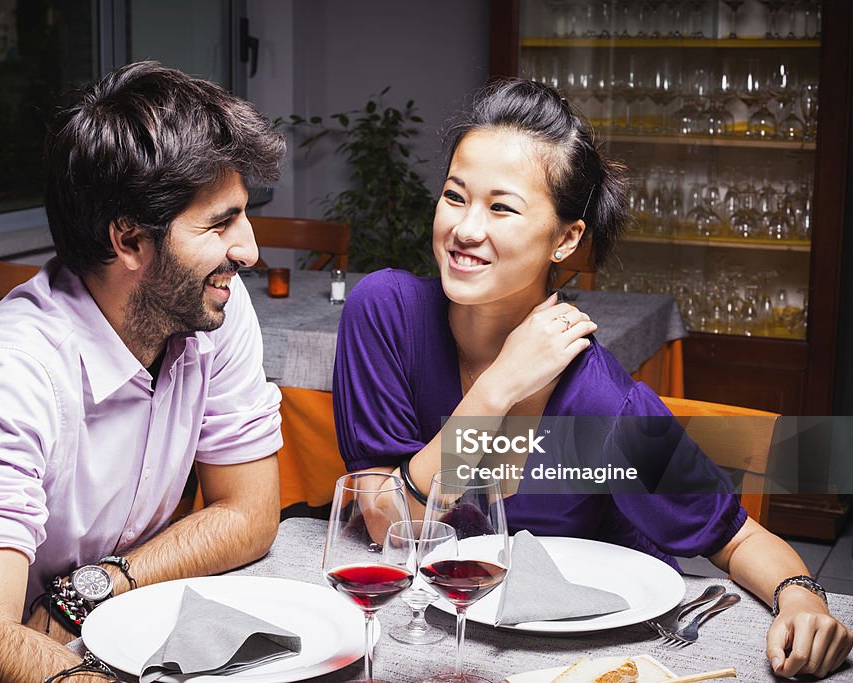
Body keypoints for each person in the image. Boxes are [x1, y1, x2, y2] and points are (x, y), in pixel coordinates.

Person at [333, 79, 852, 678]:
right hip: (425, 652)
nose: (466, 229)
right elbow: (386, 522)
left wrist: (803, 598)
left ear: (566, 238)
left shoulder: (604, 401)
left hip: (577, 662)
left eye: (501, 207)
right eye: (455, 196)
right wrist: (495, 388)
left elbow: (736, 538)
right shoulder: (385, 313)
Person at [0, 61, 287, 682]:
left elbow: (250, 511)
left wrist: (98, 586)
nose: (250, 250)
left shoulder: (213, 310)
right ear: (128, 239)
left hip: (114, 642)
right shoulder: (11, 374)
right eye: (219, 222)